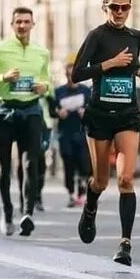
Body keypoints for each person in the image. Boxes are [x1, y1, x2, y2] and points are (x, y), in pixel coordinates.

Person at [70, 0, 140, 266]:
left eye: (124, 7)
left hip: (127, 114)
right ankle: (90, 206)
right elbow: (77, 74)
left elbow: (133, 63)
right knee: (102, 180)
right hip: (100, 115)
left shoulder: (136, 36)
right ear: (104, 7)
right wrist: (109, 63)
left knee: (126, 179)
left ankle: (125, 244)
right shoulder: (96, 36)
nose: (119, 12)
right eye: (114, 7)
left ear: (130, 8)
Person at [0, 7, 52, 236]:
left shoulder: (42, 52)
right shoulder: (0, 50)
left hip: (31, 110)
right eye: (18, 22)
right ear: (12, 25)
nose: (22, 26)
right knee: (4, 165)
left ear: (32, 25)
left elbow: (47, 81)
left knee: (31, 163)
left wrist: (43, 87)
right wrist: (3, 77)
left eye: (26, 22)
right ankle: (7, 211)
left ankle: (27, 213)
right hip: (4, 112)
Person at [53, 54, 93, 208]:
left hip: (82, 133)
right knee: (68, 164)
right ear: (65, 75)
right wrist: (58, 112)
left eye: (73, 75)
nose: (71, 77)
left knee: (83, 164)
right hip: (65, 134)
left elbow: (93, 108)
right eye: (68, 75)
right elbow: (52, 109)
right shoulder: (59, 92)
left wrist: (86, 112)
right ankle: (71, 194)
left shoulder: (85, 91)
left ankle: (82, 192)